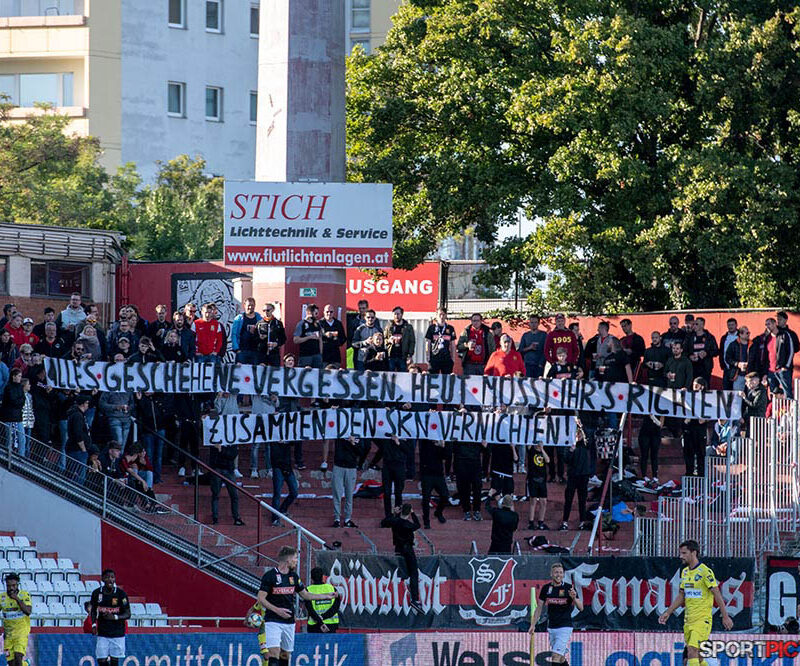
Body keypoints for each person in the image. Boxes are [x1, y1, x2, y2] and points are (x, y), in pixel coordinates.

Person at [658, 540, 734, 666]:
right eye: (680, 553)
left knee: (691, 650)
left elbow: (717, 594)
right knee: (698, 658)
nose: (680, 556)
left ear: (694, 553)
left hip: (702, 620)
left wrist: (725, 616)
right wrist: (668, 612)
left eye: (684, 553)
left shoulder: (705, 571)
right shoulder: (685, 572)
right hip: (689, 621)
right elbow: (682, 595)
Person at [257, 546, 336, 666]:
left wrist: (326, 596)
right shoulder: (270, 576)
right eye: (295, 558)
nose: (296, 561)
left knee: (285, 655)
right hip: (272, 621)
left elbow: (305, 595)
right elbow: (261, 598)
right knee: (274, 654)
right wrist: (277, 610)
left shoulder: (293, 577)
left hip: (289, 622)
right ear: (288, 560)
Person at [530, 562, 584, 664]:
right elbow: (539, 607)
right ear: (551, 574)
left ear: (563, 574)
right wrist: (533, 624)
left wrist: (574, 598)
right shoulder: (546, 588)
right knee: (561, 658)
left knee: (555, 656)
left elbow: (581, 608)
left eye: (560, 572)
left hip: (564, 627)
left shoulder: (569, 588)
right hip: (552, 627)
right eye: (556, 572)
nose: (558, 575)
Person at [380, 504, 424, 613]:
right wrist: (413, 514)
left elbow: (384, 522)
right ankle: (415, 599)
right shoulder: (407, 524)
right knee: (414, 573)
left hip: (398, 548)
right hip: (407, 549)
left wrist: (394, 513)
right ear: (409, 513)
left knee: (400, 572)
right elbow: (417, 525)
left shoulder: (395, 521)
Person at [90, 569, 131, 666]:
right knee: (101, 660)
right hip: (103, 633)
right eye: (108, 577)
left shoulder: (121, 594)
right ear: (103, 579)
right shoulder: (96, 593)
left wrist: (115, 617)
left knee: (114, 661)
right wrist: (94, 624)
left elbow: (128, 614)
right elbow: (93, 611)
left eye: (112, 577)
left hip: (117, 633)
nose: (110, 580)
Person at [559, 428, 591, 531]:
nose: (579, 437)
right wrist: (571, 451)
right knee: (568, 500)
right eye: (577, 435)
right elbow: (566, 459)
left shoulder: (586, 445)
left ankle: (582, 522)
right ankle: (565, 521)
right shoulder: (570, 446)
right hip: (573, 476)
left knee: (582, 500)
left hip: (583, 476)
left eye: (580, 435)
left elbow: (590, 442)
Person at [331, 436, 365, 528]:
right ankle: (337, 519)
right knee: (337, 493)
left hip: (351, 467)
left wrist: (353, 443)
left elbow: (361, 452)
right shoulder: (340, 433)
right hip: (338, 466)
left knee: (349, 494)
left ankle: (347, 519)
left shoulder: (358, 435)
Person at [209, 441, 245, 526]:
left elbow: (233, 454)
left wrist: (221, 450)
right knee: (215, 494)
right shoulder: (214, 438)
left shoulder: (232, 440)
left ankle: (236, 517)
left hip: (229, 469)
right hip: (217, 468)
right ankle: (215, 518)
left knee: (234, 495)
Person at [0, 572, 32, 666]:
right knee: (11, 664)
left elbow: (28, 611)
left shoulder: (24, 595)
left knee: (18, 657)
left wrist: (17, 599)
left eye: (13, 585)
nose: (11, 588)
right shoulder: (2, 597)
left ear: (17, 584)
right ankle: (25, 664)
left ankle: (23, 663)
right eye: (9, 586)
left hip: (21, 632)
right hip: (9, 634)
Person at [418, 438, 449, 528]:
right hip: (427, 474)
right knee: (426, 498)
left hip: (438, 474)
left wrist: (442, 447)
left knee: (445, 496)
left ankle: (438, 512)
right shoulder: (425, 442)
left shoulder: (440, 442)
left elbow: (445, 457)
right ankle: (426, 521)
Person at [683, 378, 709, 476]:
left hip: (700, 428)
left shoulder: (707, 397)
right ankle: (689, 473)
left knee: (701, 453)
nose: (695, 387)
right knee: (688, 452)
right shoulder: (689, 395)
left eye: (697, 385)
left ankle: (701, 474)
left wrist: (705, 419)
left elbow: (712, 412)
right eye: (694, 385)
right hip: (689, 428)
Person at [303, 567, 341, 634]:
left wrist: (320, 621)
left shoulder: (308, 590)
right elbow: (336, 607)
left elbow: (310, 609)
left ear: (311, 578)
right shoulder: (332, 588)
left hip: (315, 624)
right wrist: (324, 616)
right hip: (331, 624)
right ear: (323, 577)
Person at [766, 317, 794, 398]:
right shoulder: (767, 338)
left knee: (787, 393)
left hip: (782, 370)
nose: (767, 326)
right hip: (771, 371)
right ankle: (774, 410)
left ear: (775, 324)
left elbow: (791, 351)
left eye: (769, 324)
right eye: (766, 325)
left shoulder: (784, 335)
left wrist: (786, 366)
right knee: (773, 394)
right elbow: (765, 355)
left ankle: (789, 409)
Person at [485, 489, 519, 554]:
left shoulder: (497, 512)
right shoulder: (515, 516)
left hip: (495, 542)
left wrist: (489, 495)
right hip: (507, 544)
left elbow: (487, 506)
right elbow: (515, 528)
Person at [685, 317, 718, 383]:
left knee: (705, 387)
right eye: (694, 324)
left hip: (705, 367)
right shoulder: (689, 337)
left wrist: (706, 353)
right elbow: (684, 350)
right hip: (692, 367)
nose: (694, 326)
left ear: (702, 325)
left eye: (696, 324)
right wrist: (690, 356)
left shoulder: (709, 337)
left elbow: (716, 351)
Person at [424, 308, 456, 374]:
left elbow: (453, 344)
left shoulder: (450, 328)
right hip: (434, 358)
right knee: (432, 379)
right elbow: (428, 343)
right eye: (440, 314)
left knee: (447, 380)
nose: (441, 317)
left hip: (446, 359)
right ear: (436, 315)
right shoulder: (432, 328)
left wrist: (453, 358)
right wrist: (428, 356)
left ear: (446, 315)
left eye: (443, 315)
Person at [231, 297, 262, 364]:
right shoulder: (239, 318)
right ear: (244, 305)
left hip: (255, 352)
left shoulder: (259, 318)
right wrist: (237, 349)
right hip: (242, 351)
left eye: (252, 305)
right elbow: (234, 334)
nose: (250, 307)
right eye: (249, 305)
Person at [526, 443, 550, 530]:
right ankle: (531, 522)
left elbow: (547, 460)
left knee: (543, 501)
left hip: (542, 479)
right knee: (533, 501)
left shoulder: (544, 450)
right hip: (533, 479)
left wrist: (542, 449)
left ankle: (541, 522)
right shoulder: (531, 449)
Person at [384, 306, 415, 372]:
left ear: (402, 314)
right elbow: (384, 339)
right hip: (391, 356)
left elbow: (412, 342)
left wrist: (410, 355)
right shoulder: (389, 326)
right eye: (395, 314)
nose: (396, 316)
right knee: (390, 375)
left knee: (403, 375)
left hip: (403, 356)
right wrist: (389, 340)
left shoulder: (408, 327)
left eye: (398, 314)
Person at [293, 304, 323, 368]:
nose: (317, 315)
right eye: (315, 313)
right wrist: (309, 337)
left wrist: (320, 353)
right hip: (305, 356)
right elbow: (295, 340)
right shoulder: (301, 324)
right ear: (309, 312)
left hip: (317, 355)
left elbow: (320, 339)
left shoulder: (317, 324)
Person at [724, 326, 750, 391]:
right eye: (747, 333)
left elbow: (756, 359)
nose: (748, 335)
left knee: (751, 396)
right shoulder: (733, 345)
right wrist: (738, 364)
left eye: (749, 333)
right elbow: (727, 358)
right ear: (740, 334)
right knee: (738, 395)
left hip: (750, 375)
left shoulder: (752, 345)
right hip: (738, 375)